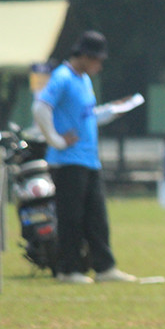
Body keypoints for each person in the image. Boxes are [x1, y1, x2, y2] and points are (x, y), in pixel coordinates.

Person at [31, 31, 137, 284]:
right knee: (71, 218)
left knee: (97, 217)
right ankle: (68, 270)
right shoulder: (63, 77)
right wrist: (56, 140)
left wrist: (113, 111)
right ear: (86, 56)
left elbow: (88, 116)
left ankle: (105, 268)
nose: (99, 66)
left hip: (89, 160)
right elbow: (40, 107)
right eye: (98, 60)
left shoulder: (84, 80)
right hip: (68, 161)